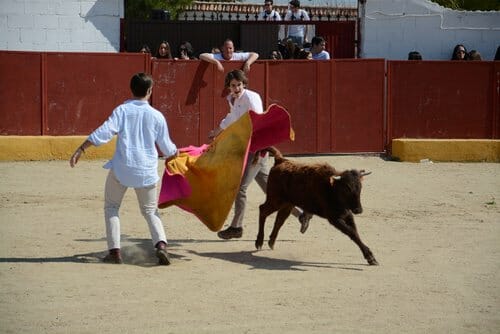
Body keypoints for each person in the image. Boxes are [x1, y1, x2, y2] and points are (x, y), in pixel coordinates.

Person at [69, 73, 178, 265]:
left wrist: (82, 148)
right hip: (146, 170)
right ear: (150, 91)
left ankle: (114, 252)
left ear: (131, 89)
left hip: (123, 168)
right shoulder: (156, 115)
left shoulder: (122, 110)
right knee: (150, 211)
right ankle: (161, 245)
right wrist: (176, 153)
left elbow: (105, 131)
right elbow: (167, 147)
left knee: (112, 207)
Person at [210, 70, 311, 240]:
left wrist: (258, 150)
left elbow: (260, 122)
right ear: (229, 86)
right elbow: (231, 118)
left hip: (257, 149)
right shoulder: (234, 100)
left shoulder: (251, 97)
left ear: (244, 84)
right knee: (271, 191)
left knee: (239, 188)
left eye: (239, 85)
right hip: (253, 148)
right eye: (233, 85)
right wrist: (216, 132)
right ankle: (301, 215)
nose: (236, 88)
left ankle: (236, 227)